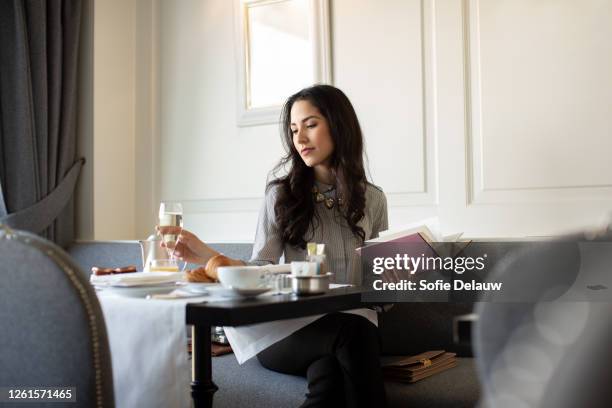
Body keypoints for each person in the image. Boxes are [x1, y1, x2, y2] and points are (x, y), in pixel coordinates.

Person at [160, 85, 388, 407]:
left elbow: (379, 290)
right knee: (353, 335)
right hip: (285, 329)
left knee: (329, 373)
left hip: (349, 322)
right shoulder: (280, 196)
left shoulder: (374, 199)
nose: (300, 138)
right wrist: (211, 257)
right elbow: (262, 268)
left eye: (310, 124)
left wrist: (399, 278)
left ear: (339, 125)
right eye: (294, 130)